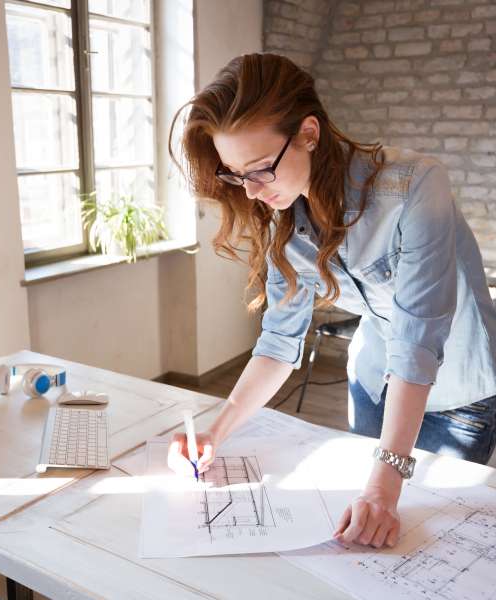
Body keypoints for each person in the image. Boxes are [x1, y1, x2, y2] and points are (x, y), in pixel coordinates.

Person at [166, 53, 496, 549]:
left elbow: (416, 339)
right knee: (360, 539)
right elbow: (279, 341)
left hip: (460, 392)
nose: (252, 193)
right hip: (373, 377)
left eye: (259, 170)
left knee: (425, 540)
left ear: (309, 134)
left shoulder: (416, 185)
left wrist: (385, 485)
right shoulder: (281, 213)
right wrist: (216, 431)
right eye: (236, 174)